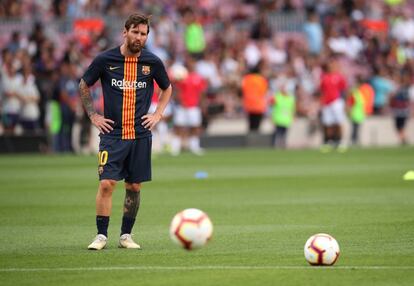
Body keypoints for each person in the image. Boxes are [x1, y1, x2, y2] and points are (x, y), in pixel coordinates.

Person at [79, 13, 172, 250]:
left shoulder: (152, 62)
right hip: (112, 135)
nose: (139, 37)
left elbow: (167, 88)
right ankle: (101, 236)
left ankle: (125, 236)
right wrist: (93, 115)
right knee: (107, 184)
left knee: (134, 187)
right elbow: (84, 84)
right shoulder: (105, 60)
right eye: (135, 32)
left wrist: (157, 114)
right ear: (125, 32)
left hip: (140, 135)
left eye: (143, 33)